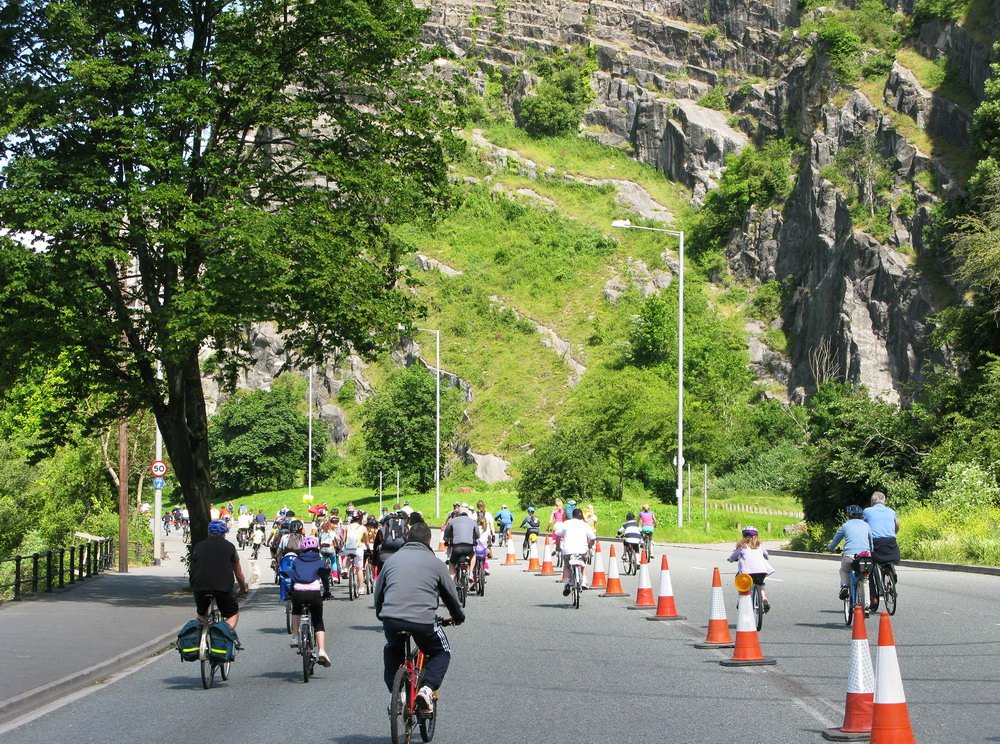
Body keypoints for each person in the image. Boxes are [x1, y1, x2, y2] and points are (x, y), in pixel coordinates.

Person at [373, 522, 465, 713]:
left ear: (406, 538)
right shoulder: (436, 563)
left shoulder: (392, 561)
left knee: (392, 649)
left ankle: (396, 695)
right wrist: (457, 616)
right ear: (429, 541)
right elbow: (450, 595)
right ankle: (427, 688)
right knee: (442, 652)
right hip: (423, 621)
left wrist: (381, 614)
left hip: (391, 618)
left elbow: (379, 593)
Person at [189, 520, 248, 629]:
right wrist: (243, 588)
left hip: (199, 586)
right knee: (232, 613)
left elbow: (193, 567)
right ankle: (224, 635)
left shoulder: (198, 546)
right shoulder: (230, 547)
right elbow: (238, 573)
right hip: (222, 587)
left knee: (201, 615)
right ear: (224, 533)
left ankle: (200, 639)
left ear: (209, 532)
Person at [287, 535, 332, 666]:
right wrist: (327, 592)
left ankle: (295, 637)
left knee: (296, 610)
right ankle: (322, 651)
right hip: (314, 594)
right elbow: (324, 578)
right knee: (318, 621)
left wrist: (291, 592)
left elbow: (293, 578)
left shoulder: (296, 561)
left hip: (299, 593)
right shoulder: (320, 561)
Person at [827, 505, 874, 601]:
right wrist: (871, 551)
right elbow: (871, 543)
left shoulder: (845, 525)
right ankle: (866, 606)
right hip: (865, 557)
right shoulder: (866, 525)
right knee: (865, 579)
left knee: (844, 570)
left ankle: (844, 586)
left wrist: (831, 548)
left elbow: (835, 540)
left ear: (849, 515)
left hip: (849, 556)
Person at [863, 491, 900, 611]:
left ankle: (873, 597)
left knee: (870, 567)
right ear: (884, 501)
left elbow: (862, 527)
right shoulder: (891, 511)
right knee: (888, 558)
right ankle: (891, 568)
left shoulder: (867, 511)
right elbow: (897, 526)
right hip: (890, 542)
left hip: (875, 543)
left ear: (872, 501)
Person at [727, 526, 774, 612]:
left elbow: (733, 557)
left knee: (739, 580)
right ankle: (763, 597)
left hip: (747, 573)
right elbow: (767, 556)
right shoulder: (760, 546)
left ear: (743, 536)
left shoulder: (742, 546)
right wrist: (764, 556)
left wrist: (730, 560)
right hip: (761, 571)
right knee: (760, 584)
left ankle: (741, 598)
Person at [553, 508, 596, 595]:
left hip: (568, 550)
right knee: (584, 563)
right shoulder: (585, 525)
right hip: (582, 551)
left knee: (567, 566)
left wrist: (557, 547)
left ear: (572, 515)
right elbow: (592, 539)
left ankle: (568, 582)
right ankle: (583, 581)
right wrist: (589, 546)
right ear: (581, 516)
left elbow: (557, 536)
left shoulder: (566, 523)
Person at [443, 507, 479, 581]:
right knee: (473, 554)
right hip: (469, 547)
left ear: (458, 513)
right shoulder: (472, 522)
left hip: (457, 547)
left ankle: (452, 580)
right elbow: (477, 535)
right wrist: (473, 539)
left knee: (452, 564)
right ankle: (471, 573)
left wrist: (446, 540)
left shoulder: (453, 521)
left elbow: (446, 533)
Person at [343, 513, 367, 593]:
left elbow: (344, 539)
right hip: (357, 549)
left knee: (349, 556)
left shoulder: (347, 527)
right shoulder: (363, 528)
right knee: (359, 569)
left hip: (347, 549)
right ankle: (361, 588)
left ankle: (346, 568)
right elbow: (365, 541)